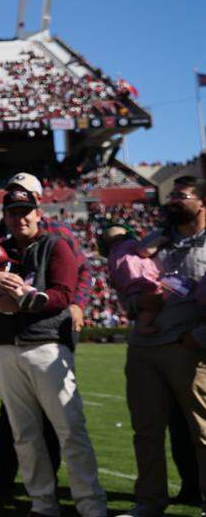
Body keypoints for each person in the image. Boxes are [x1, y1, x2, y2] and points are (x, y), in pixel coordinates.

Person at [0, 189, 106, 517]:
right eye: (13, 212)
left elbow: (62, 294)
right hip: (6, 350)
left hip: (46, 346)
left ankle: (91, 506)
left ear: (38, 211)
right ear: (4, 216)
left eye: (25, 211)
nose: (21, 218)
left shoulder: (55, 244)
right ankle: (43, 504)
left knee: (70, 430)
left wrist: (19, 302)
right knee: (25, 436)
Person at [120, 177, 206, 517]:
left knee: (202, 430)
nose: (171, 200)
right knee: (147, 430)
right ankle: (149, 501)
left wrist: (199, 337)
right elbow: (127, 290)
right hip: (144, 347)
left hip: (188, 348)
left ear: (202, 203)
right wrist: (136, 301)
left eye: (180, 196)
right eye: (169, 195)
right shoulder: (155, 243)